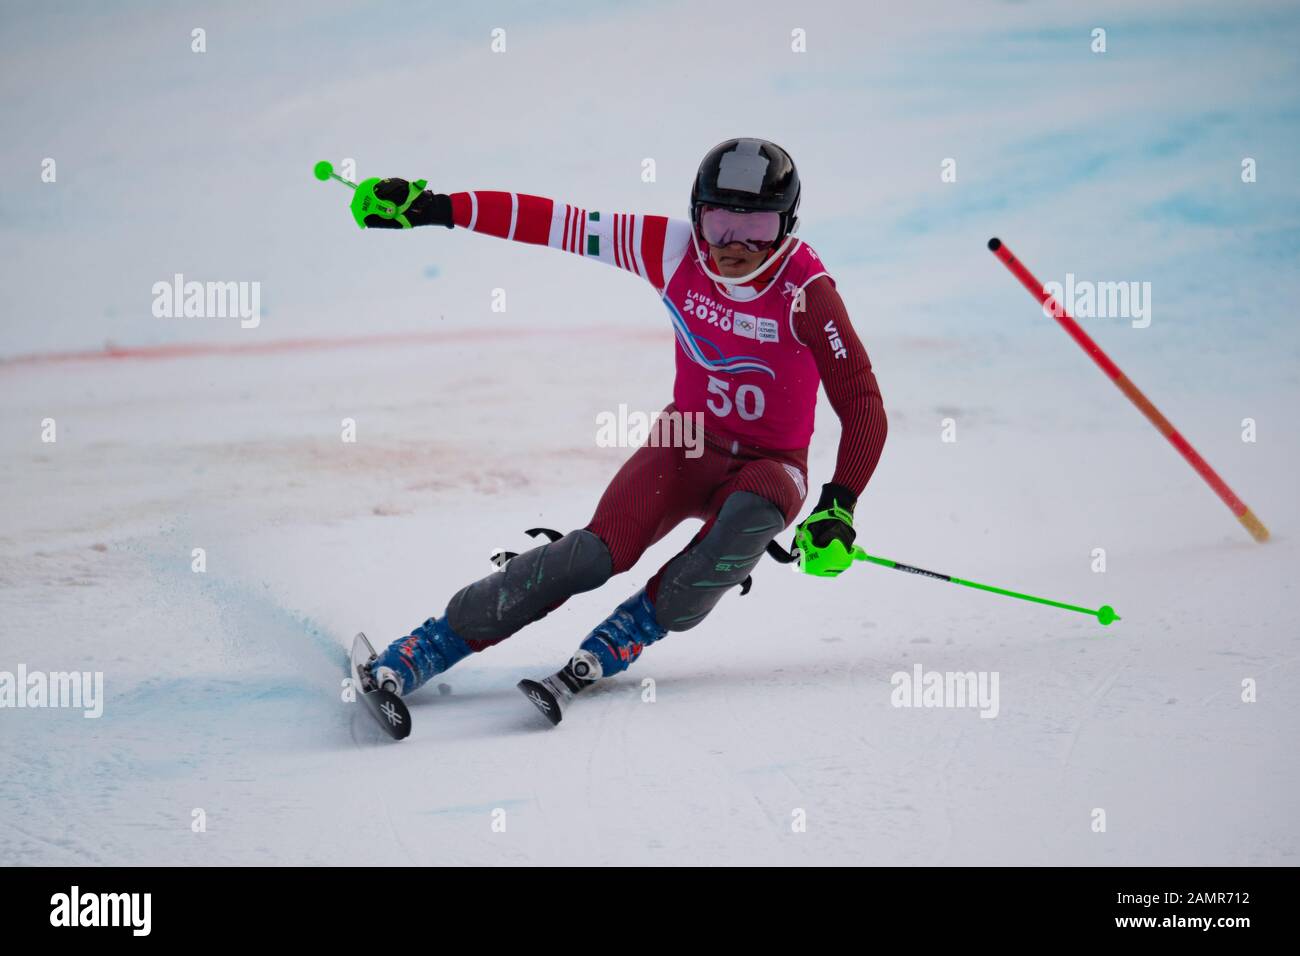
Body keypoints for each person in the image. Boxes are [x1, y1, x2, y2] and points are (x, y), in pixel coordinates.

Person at [358, 138, 887, 721]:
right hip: (686, 439)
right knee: (593, 556)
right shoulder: (669, 249)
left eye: (759, 226)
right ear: (696, 216)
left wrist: (839, 505)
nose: (736, 244)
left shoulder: (806, 292)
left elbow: (861, 402)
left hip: (773, 462)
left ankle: (626, 633)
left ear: (787, 226)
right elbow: (557, 223)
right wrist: (437, 207)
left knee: (747, 520)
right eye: (719, 222)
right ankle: (425, 647)